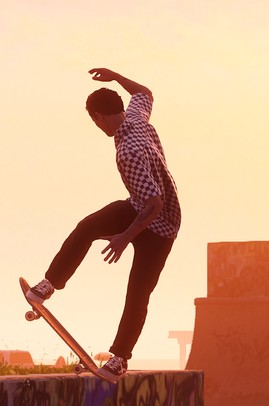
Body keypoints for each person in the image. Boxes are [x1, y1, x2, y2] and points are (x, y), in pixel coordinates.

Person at [23, 67, 181, 381]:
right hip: (139, 207)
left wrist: (124, 237)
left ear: (99, 117)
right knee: (88, 226)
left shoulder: (128, 152)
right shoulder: (136, 118)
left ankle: (120, 357)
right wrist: (115, 76)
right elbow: (145, 93)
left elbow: (155, 204)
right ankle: (49, 284)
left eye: (95, 122)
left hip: (160, 227)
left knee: (138, 291)